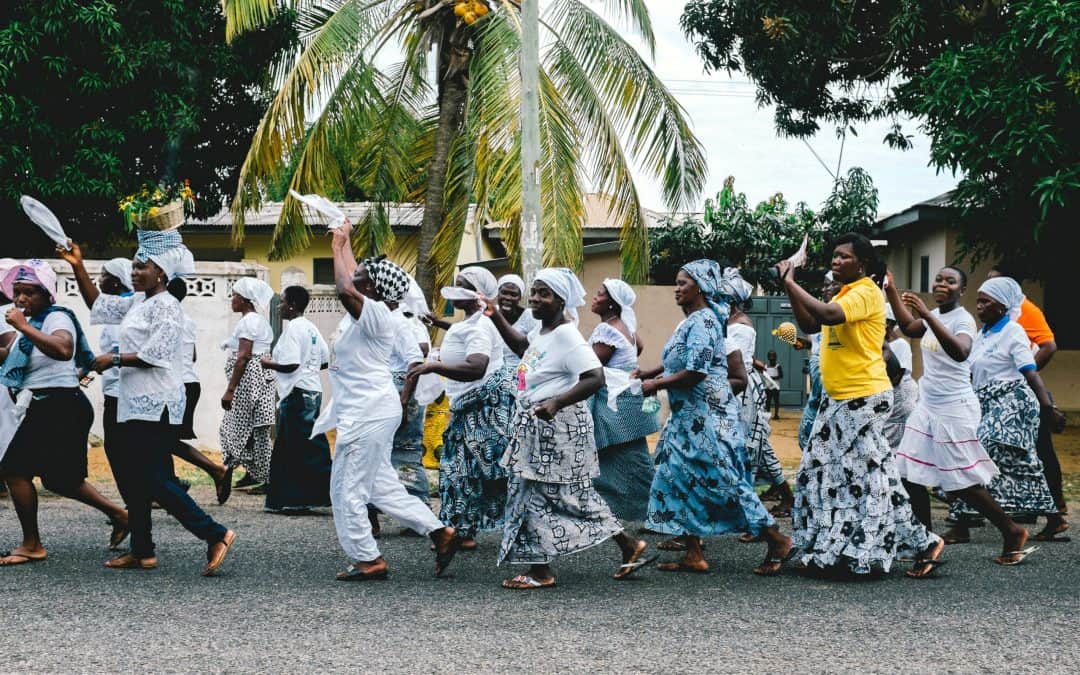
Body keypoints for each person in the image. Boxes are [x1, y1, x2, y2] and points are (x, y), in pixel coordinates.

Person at [776, 233, 943, 578]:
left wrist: (790, 279)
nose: (836, 262)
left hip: (862, 396)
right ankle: (844, 546)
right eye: (833, 257)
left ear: (863, 265)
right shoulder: (845, 292)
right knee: (832, 472)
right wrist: (789, 288)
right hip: (839, 397)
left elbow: (827, 314)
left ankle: (873, 547)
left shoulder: (867, 292)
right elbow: (810, 322)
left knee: (857, 475)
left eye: (843, 257)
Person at [485, 268, 653, 589]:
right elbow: (523, 347)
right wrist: (495, 316)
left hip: (555, 427)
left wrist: (556, 403)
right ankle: (628, 546)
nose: (534, 298)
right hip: (538, 424)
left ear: (561, 301)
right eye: (533, 291)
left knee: (534, 494)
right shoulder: (544, 332)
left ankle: (540, 572)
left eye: (544, 293)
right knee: (567, 495)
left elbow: (594, 377)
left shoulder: (568, 335)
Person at [315, 222, 458, 581]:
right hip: (368, 411)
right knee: (381, 486)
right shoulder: (372, 309)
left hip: (367, 415)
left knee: (347, 488)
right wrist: (344, 239)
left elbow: (345, 287)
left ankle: (368, 559)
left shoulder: (377, 314)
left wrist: (335, 248)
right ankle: (439, 531)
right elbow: (353, 277)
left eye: (362, 274)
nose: (354, 272)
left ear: (372, 288)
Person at [87, 231, 235, 574]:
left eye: (143, 267)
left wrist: (113, 359)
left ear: (162, 274)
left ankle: (215, 534)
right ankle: (142, 550)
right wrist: (77, 263)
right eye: (134, 266)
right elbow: (100, 304)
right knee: (137, 478)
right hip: (134, 402)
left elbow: (156, 354)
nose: (135, 272)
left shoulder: (167, 306)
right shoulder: (140, 302)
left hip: (156, 404)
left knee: (152, 479)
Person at [635, 261, 793, 576]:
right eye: (676, 283)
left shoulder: (705, 321)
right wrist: (648, 373)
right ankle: (693, 553)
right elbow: (677, 360)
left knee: (725, 482)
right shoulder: (692, 321)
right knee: (677, 479)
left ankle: (777, 539)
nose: (677, 289)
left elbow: (695, 371)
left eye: (683, 283)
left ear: (701, 287)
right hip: (687, 419)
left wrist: (655, 385)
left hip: (707, 420)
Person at [886, 266, 1034, 566]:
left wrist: (927, 314)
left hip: (954, 408)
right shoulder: (936, 317)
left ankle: (1012, 530)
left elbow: (960, 352)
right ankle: (925, 541)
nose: (942, 284)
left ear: (961, 290)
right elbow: (909, 327)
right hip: (928, 405)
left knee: (961, 482)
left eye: (950, 281)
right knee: (907, 472)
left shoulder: (963, 320)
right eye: (939, 279)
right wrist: (890, 289)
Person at [0, 260, 129, 566]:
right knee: (61, 480)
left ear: (47, 294)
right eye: (17, 293)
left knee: (14, 470)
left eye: (29, 293)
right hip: (54, 405)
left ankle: (32, 544)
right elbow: (12, 356)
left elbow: (63, 349)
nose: (21, 299)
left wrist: (23, 326)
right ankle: (120, 515)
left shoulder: (57, 317)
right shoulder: (33, 324)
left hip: (59, 406)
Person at [944, 276, 1062, 560]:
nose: (980, 306)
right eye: (979, 301)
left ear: (1002, 306)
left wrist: (1047, 408)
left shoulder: (1013, 332)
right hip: (986, 403)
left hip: (1013, 404)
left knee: (974, 453)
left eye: (986, 302)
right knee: (1009, 463)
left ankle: (972, 524)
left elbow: (1030, 371)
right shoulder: (982, 335)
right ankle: (1052, 516)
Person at [407, 266, 514, 550]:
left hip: (483, 412)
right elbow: (460, 332)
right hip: (470, 408)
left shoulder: (480, 326)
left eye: (462, 285)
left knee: (476, 471)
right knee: (464, 471)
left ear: (477, 294)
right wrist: (438, 323)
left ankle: (521, 524)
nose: (455, 289)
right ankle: (462, 530)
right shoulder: (471, 322)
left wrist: (434, 365)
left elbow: (476, 367)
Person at [987, 266, 1068, 542]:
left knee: (1039, 453)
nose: (988, 288)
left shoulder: (1025, 311)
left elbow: (1048, 345)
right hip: (1001, 395)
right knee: (1027, 454)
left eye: (994, 282)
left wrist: (1025, 377)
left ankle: (1055, 510)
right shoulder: (998, 319)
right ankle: (1037, 511)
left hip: (1022, 393)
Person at [585, 279, 659, 522]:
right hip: (629, 400)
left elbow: (590, 368)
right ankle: (648, 511)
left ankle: (653, 512)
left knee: (626, 458)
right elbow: (637, 351)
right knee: (629, 458)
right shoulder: (627, 328)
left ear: (612, 303)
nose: (594, 298)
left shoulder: (607, 331)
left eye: (599, 294)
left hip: (615, 405)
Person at [260, 285, 333, 514]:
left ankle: (294, 499)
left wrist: (268, 363)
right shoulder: (311, 328)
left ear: (292, 305)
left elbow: (291, 364)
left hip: (297, 393)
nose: (279, 306)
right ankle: (307, 496)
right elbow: (324, 359)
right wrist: (308, 369)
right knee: (308, 445)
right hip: (312, 390)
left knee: (293, 447)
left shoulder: (293, 329)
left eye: (282, 302)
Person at [727, 296, 794, 518]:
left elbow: (740, 363)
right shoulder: (728, 320)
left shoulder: (741, 325)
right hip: (743, 391)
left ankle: (755, 519)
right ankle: (786, 498)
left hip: (743, 395)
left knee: (751, 449)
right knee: (760, 449)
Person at [167, 278, 231, 504]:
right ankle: (169, 484)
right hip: (190, 383)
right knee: (162, 439)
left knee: (164, 440)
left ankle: (214, 470)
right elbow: (192, 355)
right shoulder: (187, 320)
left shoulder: (166, 317)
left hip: (176, 385)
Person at [220, 277, 277, 492]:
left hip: (249, 381)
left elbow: (243, 357)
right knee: (255, 428)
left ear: (244, 300)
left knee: (232, 428)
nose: (231, 299)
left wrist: (230, 390)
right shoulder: (256, 320)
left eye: (234, 295)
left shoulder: (249, 322)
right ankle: (254, 473)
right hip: (257, 378)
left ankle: (240, 470)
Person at [881, 306, 918, 450]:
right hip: (889, 400)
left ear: (888, 324)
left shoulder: (901, 345)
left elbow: (897, 377)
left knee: (898, 442)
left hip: (900, 399)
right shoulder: (882, 345)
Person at [763, 350, 782, 418]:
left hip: (775, 386)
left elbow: (781, 375)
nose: (772, 358)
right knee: (768, 400)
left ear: (776, 357)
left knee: (776, 400)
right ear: (768, 357)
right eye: (770, 356)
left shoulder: (777, 366)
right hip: (767, 386)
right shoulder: (765, 366)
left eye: (773, 356)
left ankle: (776, 414)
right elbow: (764, 374)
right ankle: (768, 413)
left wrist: (772, 378)